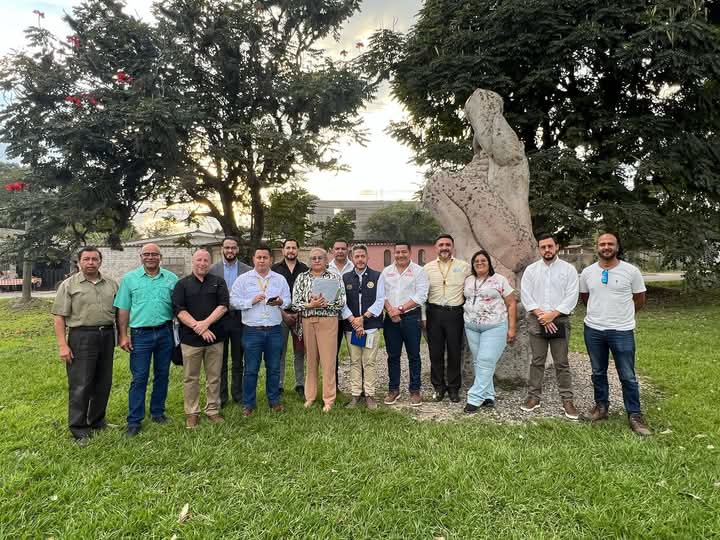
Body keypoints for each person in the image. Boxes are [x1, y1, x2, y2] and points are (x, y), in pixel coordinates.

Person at [579, 232, 650, 436]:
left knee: (627, 375)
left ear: (617, 247)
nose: (606, 247)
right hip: (593, 330)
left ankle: (634, 414)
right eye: (602, 244)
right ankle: (601, 407)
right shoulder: (587, 273)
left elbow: (640, 298)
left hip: (622, 331)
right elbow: (585, 297)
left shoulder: (631, 271)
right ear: (597, 247)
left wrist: (622, 315)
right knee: (598, 372)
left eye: (610, 243)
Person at [51, 247, 118, 444]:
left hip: (106, 335)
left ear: (100, 262)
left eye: (94, 259)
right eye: (86, 259)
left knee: (103, 381)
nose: (90, 262)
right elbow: (59, 317)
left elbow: (120, 312)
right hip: (82, 336)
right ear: (79, 262)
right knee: (81, 383)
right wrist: (63, 345)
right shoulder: (69, 285)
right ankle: (78, 428)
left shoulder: (112, 284)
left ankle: (97, 421)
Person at [115, 243, 178, 437]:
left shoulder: (171, 278)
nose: (150, 257)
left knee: (162, 374)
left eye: (154, 254)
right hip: (140, 335)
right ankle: (134, 420)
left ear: (160, 257)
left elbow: (179, 307)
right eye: (147, 254)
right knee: (139, 377)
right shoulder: (129, 279)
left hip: (165, 332)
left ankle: (157, 412)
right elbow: (123, 309)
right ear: (141, 257)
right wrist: (123, 335)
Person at [520, 234, 580, 419]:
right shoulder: (531, 270)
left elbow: (572, 295)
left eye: (550, 246)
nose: (547, 250)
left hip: (559, 320)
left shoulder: (568, 270)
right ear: (539, 249)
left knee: (561, 362)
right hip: (536, 320)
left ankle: (567, 400)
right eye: (543, 247)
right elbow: (526, 295)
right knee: (537, 360)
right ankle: (534, 397)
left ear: (557, 247)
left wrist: (552, 315)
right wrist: (542, 315)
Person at [230, 245, 291, 417]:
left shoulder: (279, 279)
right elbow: (233, 301)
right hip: (252, 331)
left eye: (265, 257)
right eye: (259, 257)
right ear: (253, 259)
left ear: (271, 259)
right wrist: (251, 301)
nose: (262, 260)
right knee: (251, 369)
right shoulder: (243, 279)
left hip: (274, 330)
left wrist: (280, 302)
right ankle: (248, 403)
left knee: (274, 368)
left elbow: (288, 300)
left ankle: (274, 401)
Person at [173, 249, 229, 428]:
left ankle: (212, 410)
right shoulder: (182, 284)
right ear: (193, 261)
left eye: (206, 260)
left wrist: (205, 324)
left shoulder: (218, 282)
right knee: (191, 378)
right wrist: (199, 328)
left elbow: (223, 306)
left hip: (215, 339)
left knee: (214, 377)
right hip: (190, 340)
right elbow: (179, 311)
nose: (202, 263)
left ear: (210, 263)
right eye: (199, 260)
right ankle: (192, 412)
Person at [292, 247, 346, 412]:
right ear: (309, 261)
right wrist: (310, 305)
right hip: (308, 321)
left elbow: (341, 301)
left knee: (328, 361)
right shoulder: (302, 277)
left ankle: (328, 399)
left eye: (320, 258)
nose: (316, 261)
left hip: (328, 321)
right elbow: (295, 303)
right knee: (311, 360)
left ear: (326, 260)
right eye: (313, 258)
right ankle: (310, 396)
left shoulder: (334, 277)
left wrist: (324, 303)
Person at [462, 250, 517, 413]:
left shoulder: (500, 280)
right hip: (471, 326)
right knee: (479, 362)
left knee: (486, 360)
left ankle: (474, 398)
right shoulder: (469, 280)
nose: (479, 263)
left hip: (495, 326)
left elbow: (511, 304)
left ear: (489, 263)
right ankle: (488, 395)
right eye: (476, 261)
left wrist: (512, 328)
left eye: (483, 261)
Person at [423, 234, 471, 403]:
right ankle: (438, 386)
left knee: (454, 351)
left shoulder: (464, 267)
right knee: (435, 352)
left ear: (452, 247)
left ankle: (453, 388)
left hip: (455, 313)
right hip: (434, 312)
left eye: (447, 244)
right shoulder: (427, 268)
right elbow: (422, 294)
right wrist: (423, 317)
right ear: (436, 248)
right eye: (441, 245)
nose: (444, 247)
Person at [381, 242, 429, 406]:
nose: (400, 255)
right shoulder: (386, 272)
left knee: (414, 355)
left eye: (404, 252)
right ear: (394, 253)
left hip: (411, 318)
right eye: (397, 252)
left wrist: (400, 309)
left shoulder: (419, 271)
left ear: (410, 252)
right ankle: (393, 389)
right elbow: (381, 294)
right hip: (391, 319)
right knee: (392, 355)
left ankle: (415, 390)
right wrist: (390, 310)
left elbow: (421, 296)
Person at [341, 244, 385, 410]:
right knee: (354, 361)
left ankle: (370, 395)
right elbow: (342, 302)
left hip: (370, 327)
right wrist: (353, 320)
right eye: (357, 256)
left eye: (362, 256)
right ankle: (355, 394)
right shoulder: (345, 278)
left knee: (369, 362)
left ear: (367, 257)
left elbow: (380, 300)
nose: (360, 259)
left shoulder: (377, 276)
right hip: (351, 327)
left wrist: (363, 318)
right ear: (352, 258)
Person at [209, 236, 251, 406]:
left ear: (238, 249)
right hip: (219, 320)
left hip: (239, 318)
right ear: (222, 249)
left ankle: (238, 394)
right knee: (220, 359)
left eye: (233, 248)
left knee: (238, 358)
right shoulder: (213, 270)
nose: (230, 251)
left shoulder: (247, 271)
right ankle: (222, 395)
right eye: (227, 247)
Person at [271, 239, 309, 397]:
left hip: (300, 315)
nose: (291, 250)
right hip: (280, 315)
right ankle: (279, 384)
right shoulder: (274, 269)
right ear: (283, 250)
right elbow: (271, 294)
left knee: (300, 351)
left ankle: (300, 384)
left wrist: (299, 312)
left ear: (298, 250)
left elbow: (308, 293)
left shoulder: (305, 269)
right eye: (288, 248)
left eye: (294, 247)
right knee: (280, 351)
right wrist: (284, 314)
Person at [327, 239, 354, 390]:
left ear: (348, 249)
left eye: (343, 248)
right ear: (332, 250)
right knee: (332, 354)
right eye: (337, 249)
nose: (340, 251)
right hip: (333, 318)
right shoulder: (326, 268)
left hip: (352, 318)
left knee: (356, 353)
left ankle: (359, 389)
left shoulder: (354, 267)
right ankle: (333, 388)